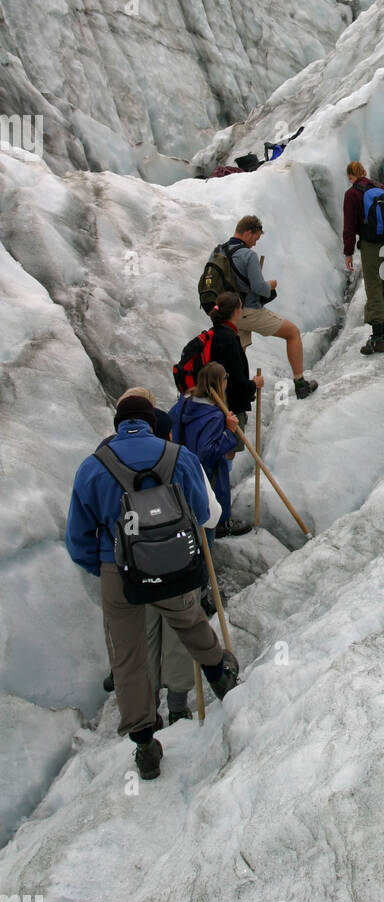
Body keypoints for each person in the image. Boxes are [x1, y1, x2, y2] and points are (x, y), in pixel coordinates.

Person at [66, 391, 240, 781]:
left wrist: (107, 568)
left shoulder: (92, 468)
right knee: (192, 623)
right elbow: (202, 512)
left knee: (128, 656)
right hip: (175, 564)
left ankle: (145, 744)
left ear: (118, 425)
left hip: (119, 574)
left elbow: (78, 539)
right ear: (150, 421)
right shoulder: (179, 456)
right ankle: (225, 682)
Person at [222, 214, 317, 400]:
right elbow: (259, 288)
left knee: (237, 353)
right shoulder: (248, 255)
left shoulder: (219, 251)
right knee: (292, 333)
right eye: (256, 238)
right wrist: (271, 285)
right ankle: (300, 384)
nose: (255, 243)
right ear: (249, 233)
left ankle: (232, 395)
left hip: (228, 314)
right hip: (248, 311)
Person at [169, 362, 249, 539]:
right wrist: (229, 432)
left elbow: (170, 422)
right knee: (213, 496)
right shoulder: (214, 415)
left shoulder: (184, 403)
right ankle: (221, 524)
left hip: (181, 461)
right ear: (221, 382)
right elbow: (207, 452)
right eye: (225, 378)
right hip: (205, 471)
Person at [342, 161, 384, 356]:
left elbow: (349, 226)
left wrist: (348, 252)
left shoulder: (352, 194)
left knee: (374, 288)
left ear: (350, 176)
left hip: (372, 246)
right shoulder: (380, 187)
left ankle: (377, 338)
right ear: (364, 172)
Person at [207, 290, 264, 455]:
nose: (242, 310)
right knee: (227, 448)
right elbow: (235, 381)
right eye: (240, 307)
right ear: (234, 312)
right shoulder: (229, 340)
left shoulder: (214, 333)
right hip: (228, 406)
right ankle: (223, 480)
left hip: (214, 402)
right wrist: (254, 384)